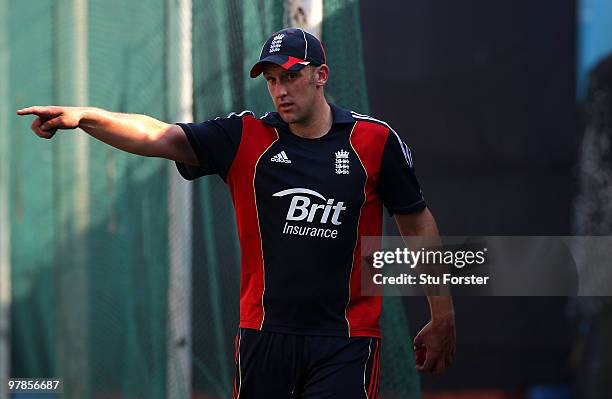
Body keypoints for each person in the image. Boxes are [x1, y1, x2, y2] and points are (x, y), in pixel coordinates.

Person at [17, 27, 455, 399]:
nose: (281, 90)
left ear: (321, 75)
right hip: (263, 337)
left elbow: (415, 223)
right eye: (270, 79)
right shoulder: (244, 136)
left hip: (347, 340)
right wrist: (86, 116)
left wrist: (443, 315)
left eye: (291, 75)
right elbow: (157, 135)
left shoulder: (375, 141)